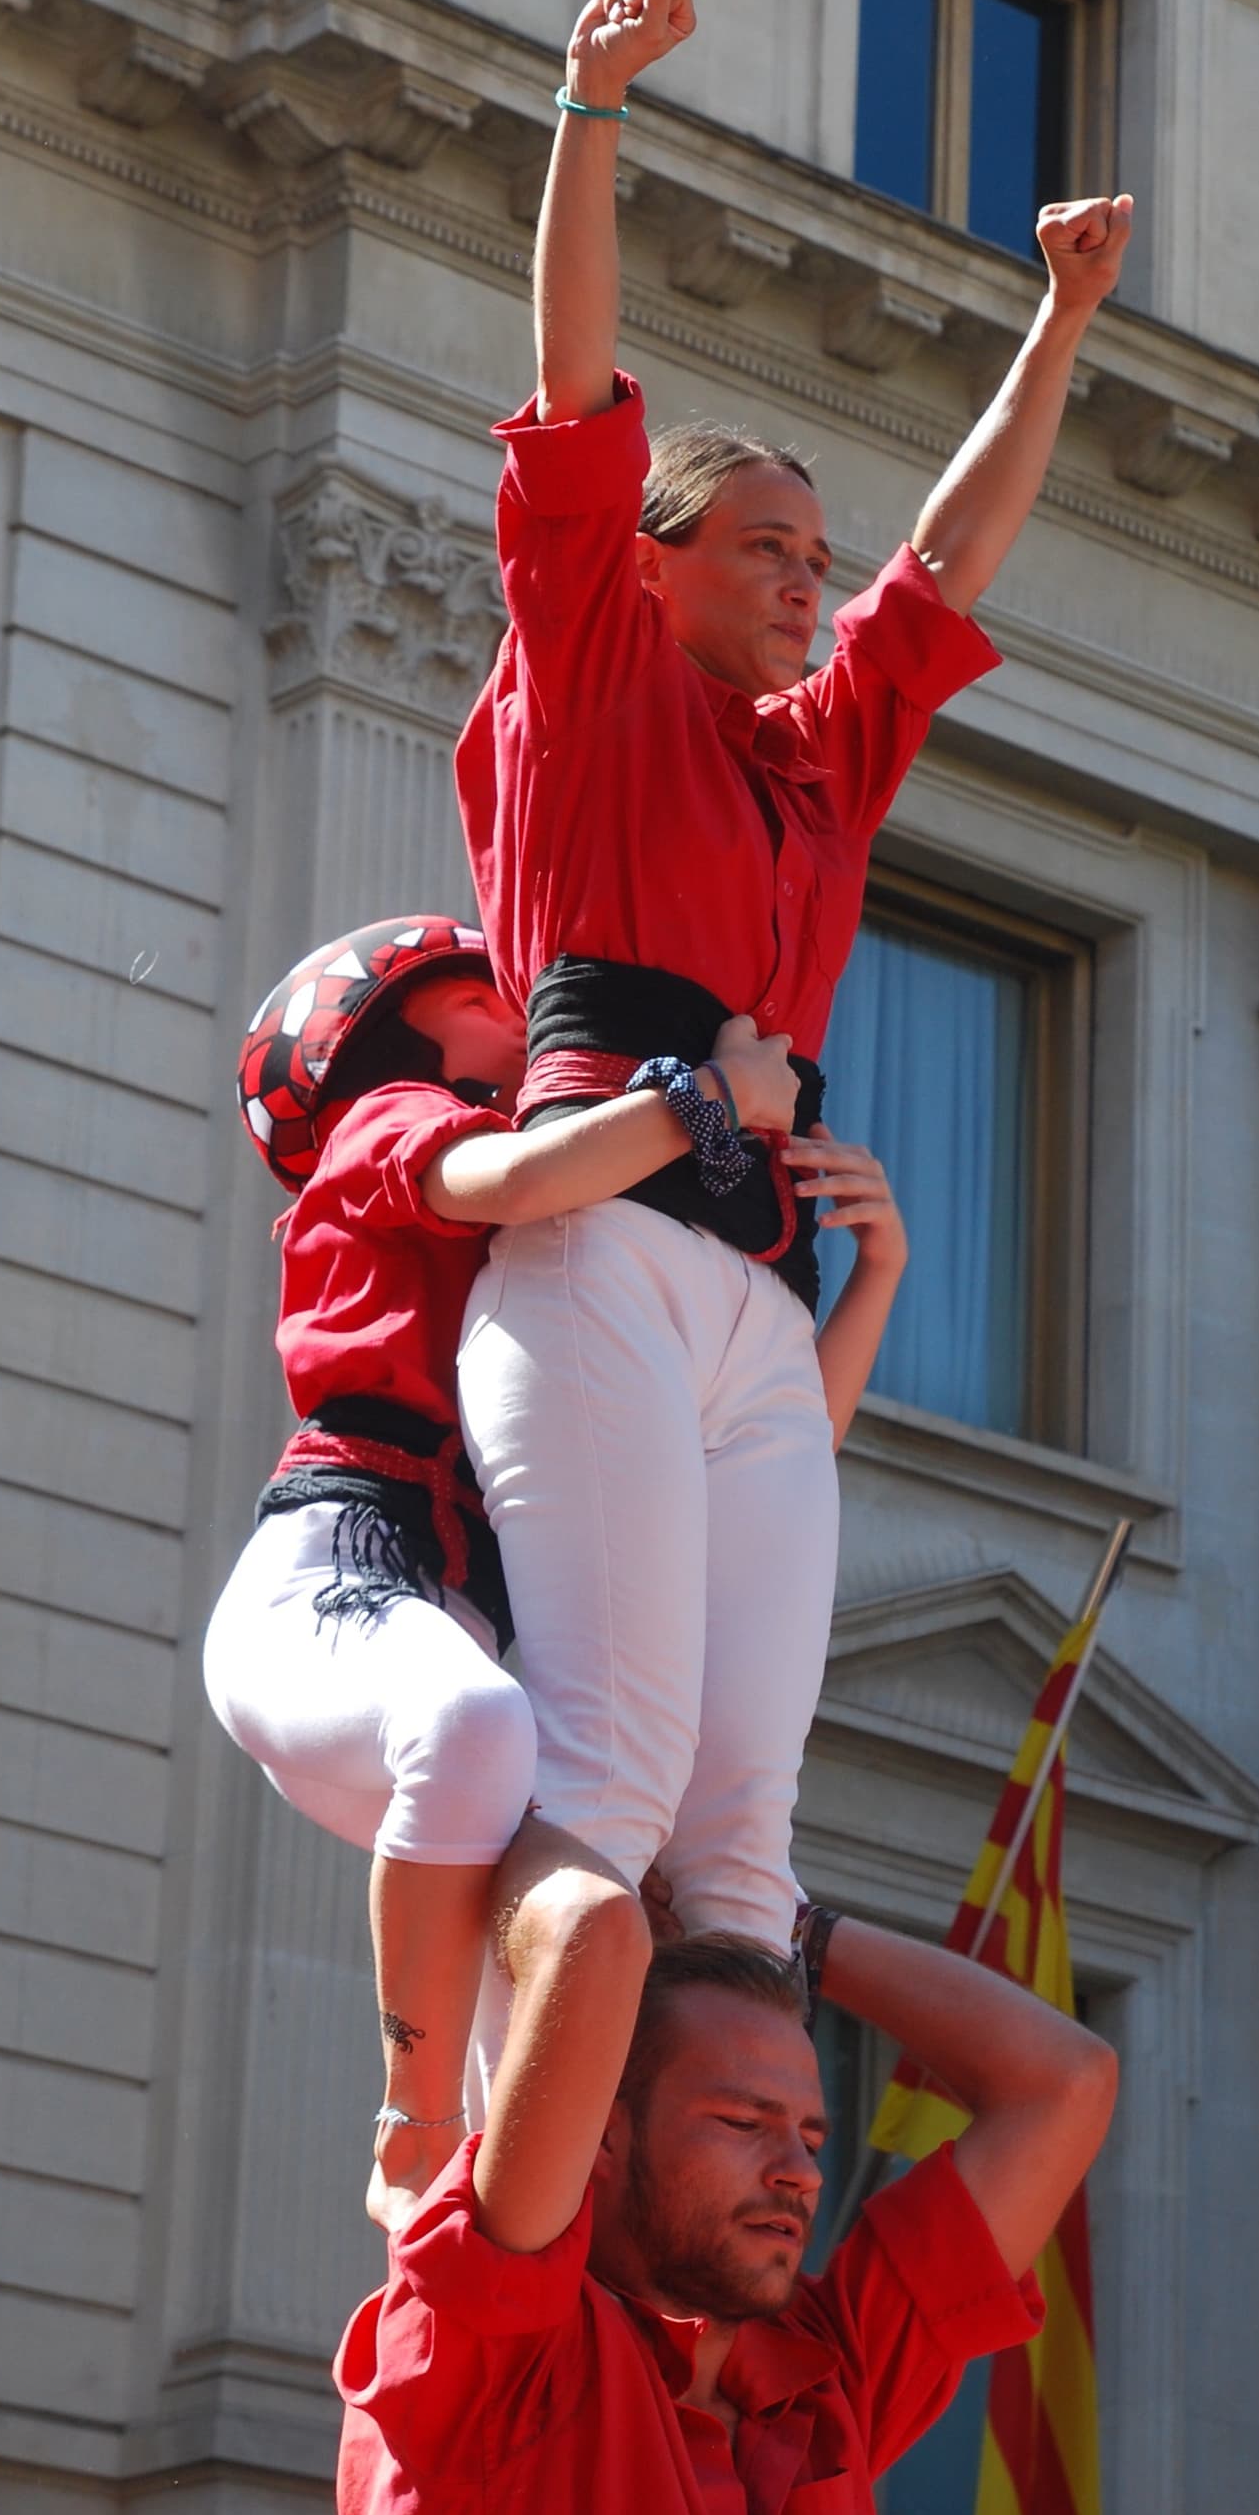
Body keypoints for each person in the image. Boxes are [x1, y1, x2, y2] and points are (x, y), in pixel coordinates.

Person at [454, 0, 1139, 1973]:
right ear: (648, 563)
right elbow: (575, 386)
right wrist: (595, 106)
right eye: (763, 548)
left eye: (811, 562)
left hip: (763, 1286)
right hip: (608, 1222)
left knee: (747, 1825)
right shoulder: (588, 674)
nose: (805, 582)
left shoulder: (821, 754)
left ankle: (703, 2227)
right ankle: (503, 2196)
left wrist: (1062, 320)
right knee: (613, 1762)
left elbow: (955, 554)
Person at [203, 916, 916, 2227]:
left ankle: (542, 2218)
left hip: (442, 1618)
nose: (525, 1003)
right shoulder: (393, 1122)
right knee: (487, 1738)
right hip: (331, 1572)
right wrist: (712, 1101)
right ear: (397, 1032)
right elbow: (525, 1181)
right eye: (489, 987)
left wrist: (873, 1271)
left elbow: (767, 1460)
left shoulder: (574, 1214)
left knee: (544, 1881)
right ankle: (416, 2132)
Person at [333, 1825, 1119, 2515]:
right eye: (744, 2123)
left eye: (812, 2138)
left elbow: (1065, 2084)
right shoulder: (505, 2354)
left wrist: (799, 1930)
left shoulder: (821, 2381)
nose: (802, 2173)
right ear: (601, 2136)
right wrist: (554, 1821)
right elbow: (592, 1929)